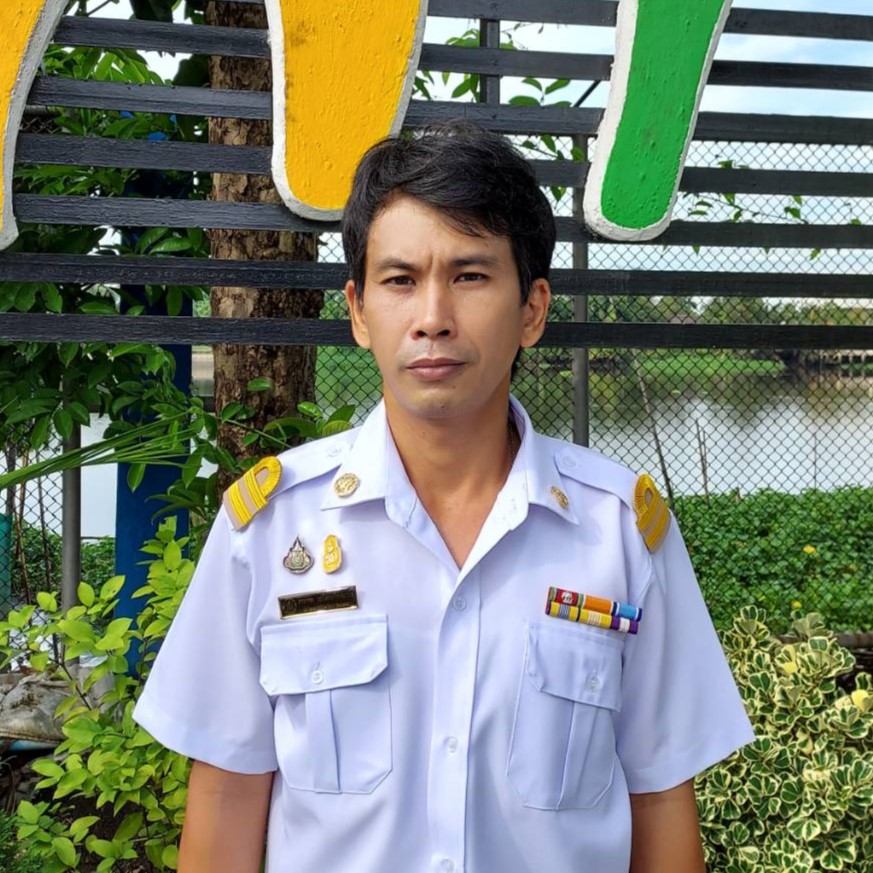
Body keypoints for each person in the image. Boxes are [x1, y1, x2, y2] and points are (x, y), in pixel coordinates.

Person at [133, 119, 755, 873]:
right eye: (400, 280)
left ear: (532, 309)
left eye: (469, 276)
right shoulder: (268, 528)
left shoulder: (620, 532)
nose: (432, 318)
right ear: (359, 311)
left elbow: (658, 799)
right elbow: (229, 794)